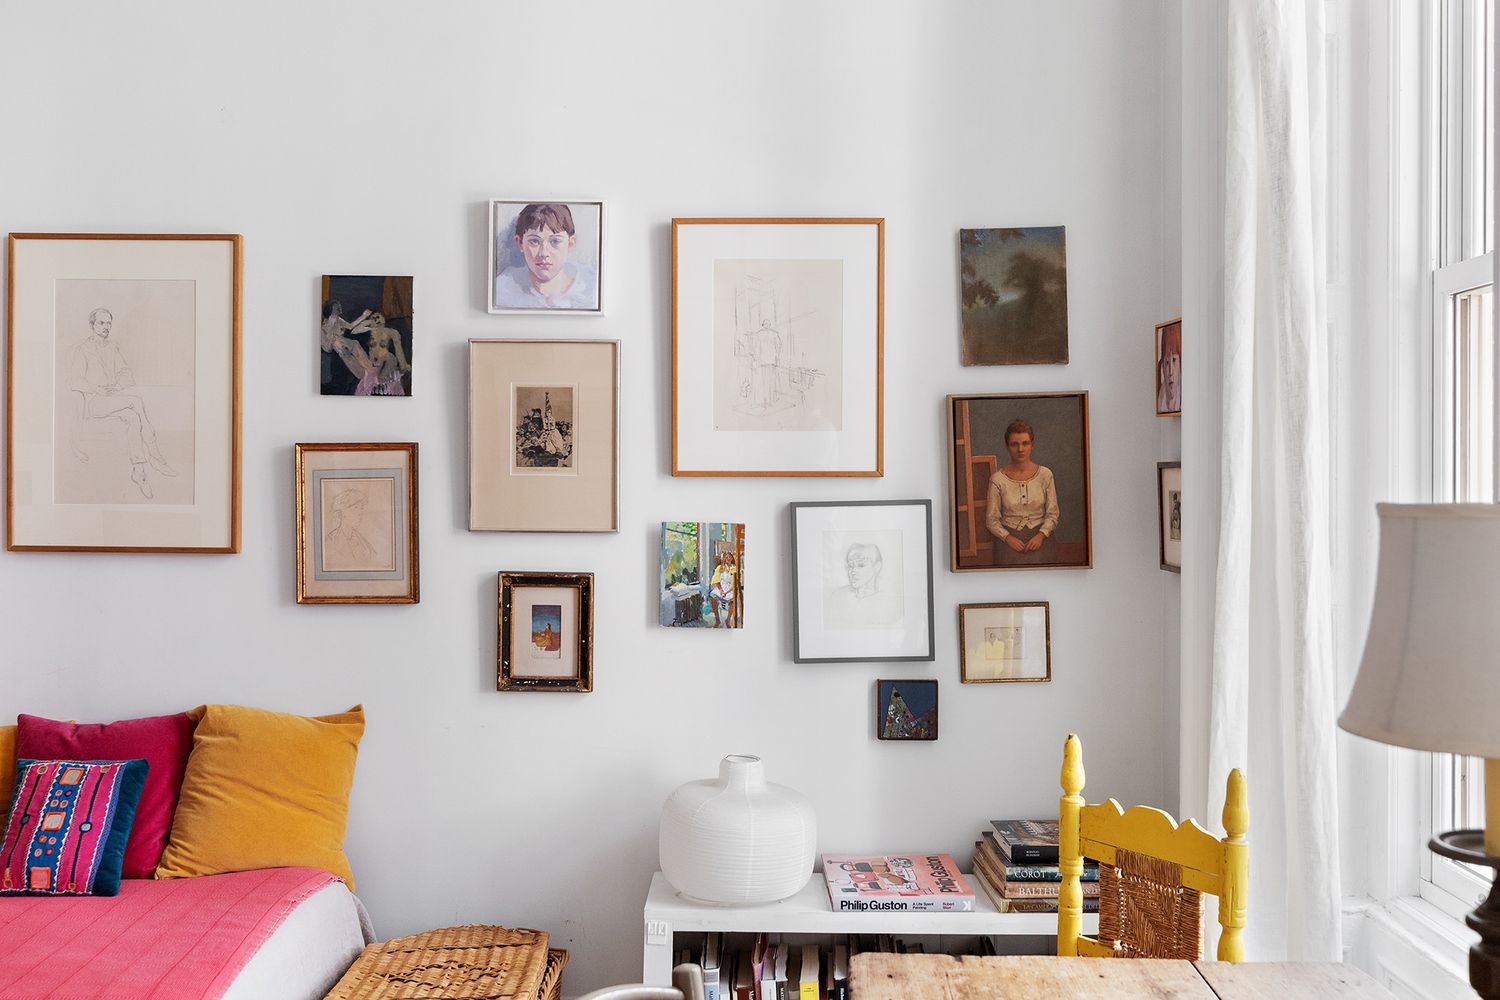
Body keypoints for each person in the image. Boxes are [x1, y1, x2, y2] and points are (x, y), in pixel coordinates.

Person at [68, 307, 176, 499]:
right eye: (101, 323)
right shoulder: (82, 350)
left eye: (109, 323)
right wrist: (97, 389)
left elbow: (126, 373)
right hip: (93, 402)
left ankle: (139, 472)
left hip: (111, 399)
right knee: (136, 401)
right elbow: (75, 381)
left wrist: (117, 386)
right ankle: (156, 457)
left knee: (133, 417)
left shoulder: (112, 347)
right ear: (92, 325)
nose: (106, 327)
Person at [493, 203, 599, 310]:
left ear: (570, 244)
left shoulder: (592, 289)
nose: (543, 253)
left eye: (555, 241)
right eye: (534, 241)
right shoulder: (503, 289)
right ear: (520, 243)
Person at [985, 419, 1060, 565]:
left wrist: (1041, 535)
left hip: (1041, 538)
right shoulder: (997, 479)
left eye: (1025, 443)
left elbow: (1053, 514)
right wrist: (1008, 538)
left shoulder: (1045, 475)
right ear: (1007, 446)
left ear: (1032, 445)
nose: (1020, 449)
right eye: (1014, 444)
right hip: (1008, 541)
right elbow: (991, 520)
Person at [354, 313, 410, 396]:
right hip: (372, 366)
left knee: (390, 361)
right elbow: (354, 331)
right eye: (373, 318)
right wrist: (369, 321)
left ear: (383, 319)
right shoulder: (369, 331)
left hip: (386, 361)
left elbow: (398, 349)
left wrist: (403, 365)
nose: (376, 319)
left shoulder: (391, 332)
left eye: (378, 317)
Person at [321, 299, 373, 390]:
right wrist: (331, 328)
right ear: (329, 310)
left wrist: (364, 316)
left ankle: (370, 370)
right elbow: (326, 346)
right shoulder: (322, 326)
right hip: (333, 345)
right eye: (334, 308)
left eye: (337, 308)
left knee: (355, 344)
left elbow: (350, 326)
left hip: (344, 342)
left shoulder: (338, 319)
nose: (336, 311)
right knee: (345, 352)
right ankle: (363, 376)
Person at [323, 488, 379, 570]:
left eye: (361, 508)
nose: (360, 513)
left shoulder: (361, 540)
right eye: (355, 507)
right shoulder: (330, 541)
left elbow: (376, 562)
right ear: (341, 513)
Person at [1156, 322, 1182, 413]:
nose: (1171, 372)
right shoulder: (1160, 402)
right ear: (1162, 367)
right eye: (1167, 363)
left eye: (1174, 360)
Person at [708, 549, 737, 627]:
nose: (728, 559)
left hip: (730, 589)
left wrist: (726, 592)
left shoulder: (735, 568)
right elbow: (716, 580)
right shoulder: (719, 568)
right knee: (713, 597)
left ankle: (728, 620)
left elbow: (735, 583)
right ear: (724, 558)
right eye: (727, 557)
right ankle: (717, 620)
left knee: (733, 601)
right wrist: (721, 590)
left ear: (732, 558)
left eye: (730, 557)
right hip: (720, 588)